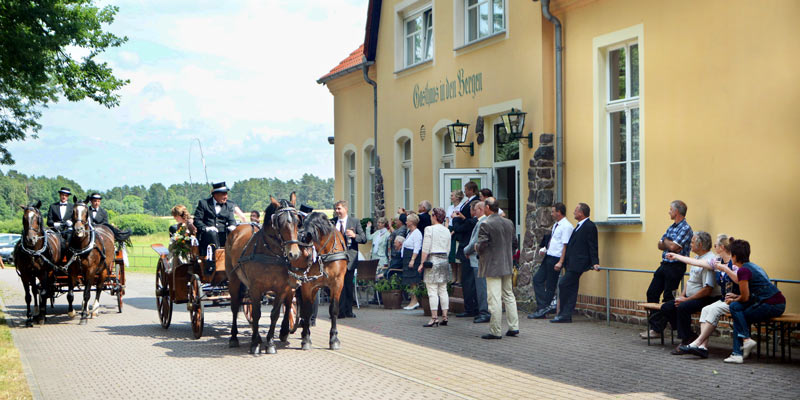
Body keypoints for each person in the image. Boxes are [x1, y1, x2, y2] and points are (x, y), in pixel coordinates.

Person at [642, 232, 720, 353]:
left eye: (693, 242)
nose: (690, 244)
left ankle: (685, 340)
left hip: (706, 298)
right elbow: (690, 281)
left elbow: (707, 290)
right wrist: (682, 295)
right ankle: (689, 335)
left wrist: (686, 300)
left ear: (700, 244)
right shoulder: (697, 258)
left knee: (683, 307)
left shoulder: (709, 261)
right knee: (667, 307)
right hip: (691, 296)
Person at [670, 234, 736, 358]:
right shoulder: (716, 262)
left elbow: (740, 279)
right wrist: (677, 256)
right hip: (724, 299)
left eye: (716, 245)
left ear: (721, 247)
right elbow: (695, 262)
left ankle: (696, 342)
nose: (714, 247)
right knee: (705, 309)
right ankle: (702, 347)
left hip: (733, 300)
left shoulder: (734, 263)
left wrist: (725, 269)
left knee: (701, 308)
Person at [722, 238, 786, 364]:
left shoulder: (743, 270)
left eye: (731, 255)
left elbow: (745, 298)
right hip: (777, 302)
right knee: (737, 310)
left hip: (770, 304)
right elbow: (749, 295)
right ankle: (742, 346)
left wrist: (735, 299)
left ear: (734, 256)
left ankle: (740, 349)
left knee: (736, 310)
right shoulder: (754, 267)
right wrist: (736, 297)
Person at [476, 197, 519, 339]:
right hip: (507, 263)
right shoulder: (508, 223)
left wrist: (476, 248)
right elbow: (514, 243)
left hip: (492, 265)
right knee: (509, 295)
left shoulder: (486, 224)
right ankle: (514, 327)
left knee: (494, 298)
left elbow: (481, 245)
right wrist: (509, 255)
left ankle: (495, 330)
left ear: (488, 207)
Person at [551, 203, 599, 323]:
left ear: (581, 213)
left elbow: (593, 245)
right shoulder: (578, 226)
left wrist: (595, 262)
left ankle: (564, 313)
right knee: (571, 288)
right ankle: (566, 315)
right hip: (572, 262)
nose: (573, 212)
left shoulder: (589, 226)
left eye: (576, 210)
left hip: (579, 263)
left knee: (563, 284)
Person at [645, 201, 693, 309]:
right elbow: (659, 245)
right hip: (664, 264)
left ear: (676, 211)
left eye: (670, 209)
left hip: (676, 266)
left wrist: (666, 242)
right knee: (652, 292)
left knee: (668, 297)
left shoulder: (686, 228)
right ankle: (656, 325)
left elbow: (672, 247)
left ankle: (673, 324)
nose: (669, 212)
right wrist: (669, 243)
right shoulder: (671, 227)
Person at [529, 202, 573, 319]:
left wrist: (560, 261)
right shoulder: (556, 225)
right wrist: (545, 249)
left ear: (559, 212)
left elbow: (565, 246)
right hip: (549, 255)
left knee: (550, 285)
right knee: (537, 279)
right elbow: (554, 241)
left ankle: (543, 310)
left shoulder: (566, 226)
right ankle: (543, 307)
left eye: (553, 211)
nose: (552, 214)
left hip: (556, 258)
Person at [417, 208, 452, 327]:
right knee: (443, 290)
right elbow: (448, 248)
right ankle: (445, 316)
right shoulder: (447, 230)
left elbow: (425, 248)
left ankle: (434, 317)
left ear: (434, 216)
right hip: (444, 259)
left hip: (432, 259)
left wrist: (422, 263)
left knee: (432, 290)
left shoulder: (429, 229)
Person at [331, 200, 366, 318]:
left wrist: (354, 235)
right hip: (335, 259)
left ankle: (348, 310)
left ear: (346, 209)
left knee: (347, 285)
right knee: (336, 285)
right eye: (336, 209)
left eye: (339, 208)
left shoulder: (354, 222)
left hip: (349, 258)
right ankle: (338, 311)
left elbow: (364, 239)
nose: (337, 211)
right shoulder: (332, 222)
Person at [193, 182, 237, 270]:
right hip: (207, 236)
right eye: (223, 194)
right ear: (215, 195)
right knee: (212, 233)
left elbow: (231, 220)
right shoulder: (203, 203)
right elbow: (197, 220)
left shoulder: (229, 205)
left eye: (226, 194)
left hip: (223, 234)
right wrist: (206, 228)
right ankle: (215, 260)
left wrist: (232, 226)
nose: (226, 197)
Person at [452, 181, 480, 317]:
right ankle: (471, 306)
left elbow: (465, 225)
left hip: (468, 245)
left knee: (468, 279)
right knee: (468, 279)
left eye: (466, 189)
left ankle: (472, 308)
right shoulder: (468, 204)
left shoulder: (474, 218)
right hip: (465, 242)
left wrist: (457, 220)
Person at [463, 201, 491, 323]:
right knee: (480, 286)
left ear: (480, 209)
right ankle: (482, 310)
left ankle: (484, 311)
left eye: (475, 209)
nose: (473, 212)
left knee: (481, 287)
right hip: (478, 258)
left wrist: (466, 250)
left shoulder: (482, 222)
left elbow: (475, 240)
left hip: (477, 259)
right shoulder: (484, 221)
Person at [401, 213, 423, 310]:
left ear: (411, 222)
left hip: (412, 258)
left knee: (413, 280)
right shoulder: (409, 232)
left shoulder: (417, 233)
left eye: (407, 220)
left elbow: (417, 248)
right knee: (410, 281)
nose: (406, 222)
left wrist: (412, 260)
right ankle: (412, 300)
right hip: (407, 257)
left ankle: (415, 301)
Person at [168, 205, 198, 271]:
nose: (174, 218)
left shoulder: (190, 223)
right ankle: (174, 270)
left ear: (178, 216)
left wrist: (186, 238)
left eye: (174, 216)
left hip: (191, 248)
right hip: (182, 246)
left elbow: (195, 234)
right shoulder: (180, 225)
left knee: (177, 253)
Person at [46, 187, 74, 257]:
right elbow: (49, 221)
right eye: (62, 195)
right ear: (60, 195)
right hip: (56, 231)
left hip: (68, 231)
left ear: (68, 196)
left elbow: (76, 220)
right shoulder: (53, 206)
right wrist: (54, 224)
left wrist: (71, 222)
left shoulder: (72, 207)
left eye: (66, 195)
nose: (64, 197)